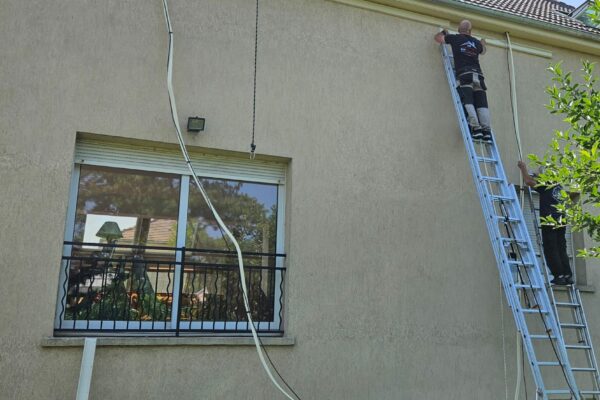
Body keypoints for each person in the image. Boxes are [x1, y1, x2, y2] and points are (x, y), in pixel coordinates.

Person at [434, 20, 492, 142]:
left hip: (465, 74)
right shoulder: (475, 42)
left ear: (459, 30)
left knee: (468, 101)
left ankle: (476, 129)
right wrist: (482, 43)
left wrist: (444, 32)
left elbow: (438, 38)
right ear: (470, 31)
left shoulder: (455, 39)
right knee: (482, 103)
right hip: (478, 76)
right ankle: (486, 131)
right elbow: (484, 51)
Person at [518, 161, 573, 285]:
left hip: (550, 221)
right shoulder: (558, 186)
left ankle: (558, 275)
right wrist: (537, 175)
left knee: (551, 248)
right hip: (561, 220)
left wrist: (523, 168)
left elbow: (528, 181)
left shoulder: (546, 185)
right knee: (561, 248)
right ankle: (567, 275)